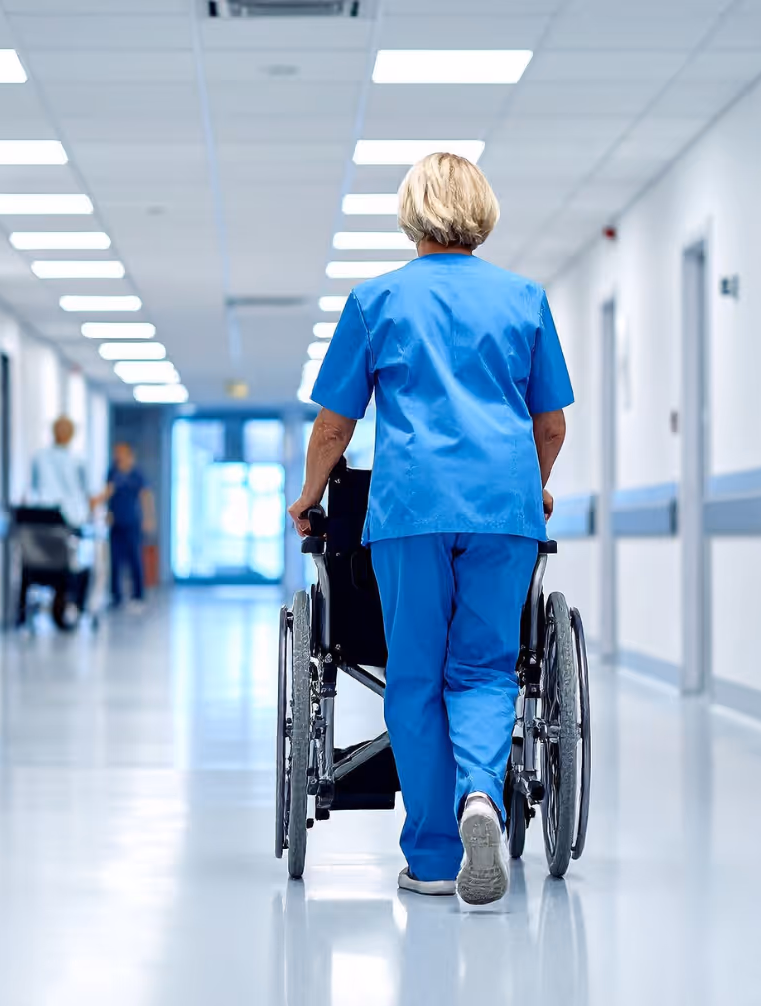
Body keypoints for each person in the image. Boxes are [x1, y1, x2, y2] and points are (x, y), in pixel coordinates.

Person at [288, 152, 572, 906]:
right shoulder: (524, 299)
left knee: (414, 677)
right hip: (503, 512)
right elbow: (551, 424)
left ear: (411, 213)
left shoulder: (377, 300)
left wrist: (309, 494)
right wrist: (532, 488)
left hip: (411, 510)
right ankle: (481, 793)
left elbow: (333, 426)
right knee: (483, 668)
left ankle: (436, 857)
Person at [27, 416, 93, 626]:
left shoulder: (39, 457)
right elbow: (85, 494)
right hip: (67, 523)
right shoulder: (77, 461)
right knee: (76, 565)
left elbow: (34, 488)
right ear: (71, 435)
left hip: (40, 523)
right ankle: (75, 607)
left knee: (43, 560)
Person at [94, 443, 153, 611]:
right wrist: (106, 512)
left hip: (132, 523)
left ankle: (138, 596)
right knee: (115, 561)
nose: (117, 456)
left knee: (135, 560)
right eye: (116, 453)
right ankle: (116, 597)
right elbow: (108, 493)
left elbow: (146, 496)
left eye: (120, 453)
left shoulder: (137, 473)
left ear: (129, 455)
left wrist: (148, 518)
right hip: (116, 523)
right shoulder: (112, 472)